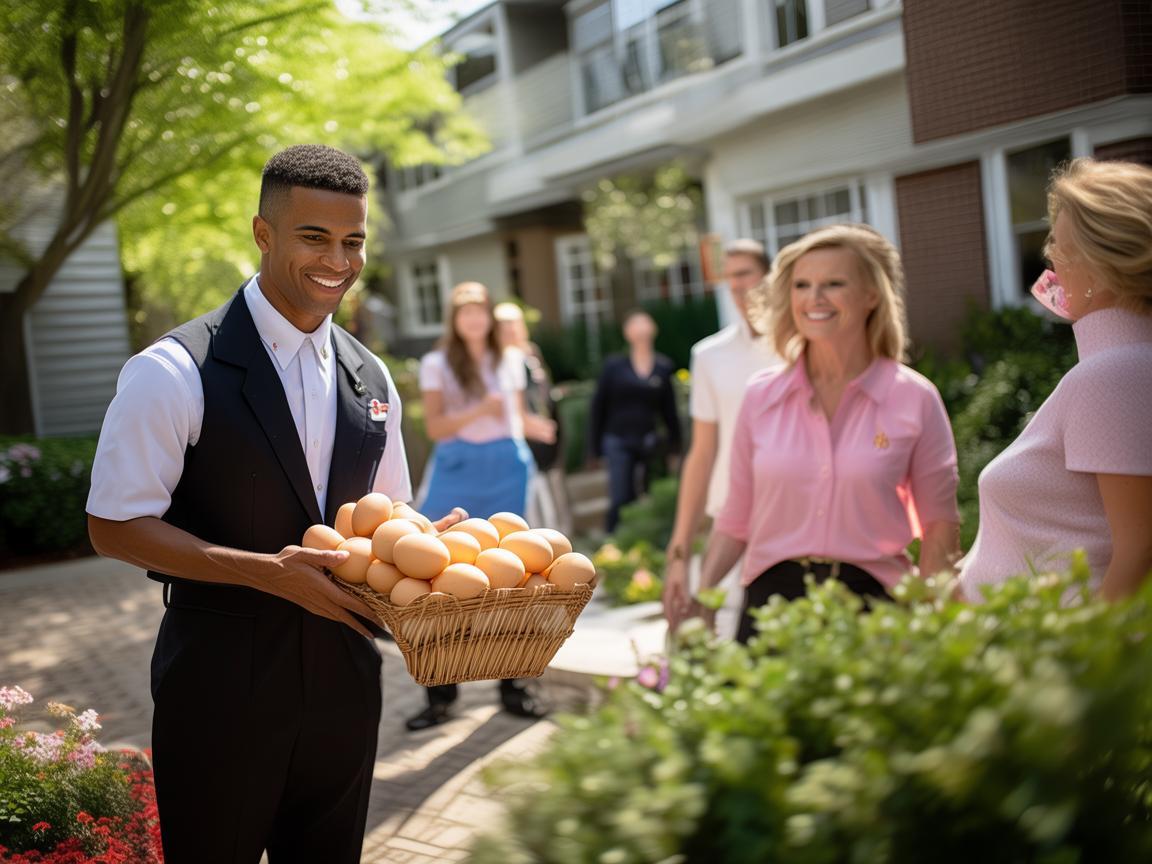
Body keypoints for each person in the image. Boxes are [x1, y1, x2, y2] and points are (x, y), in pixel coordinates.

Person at [85, 145, 458, 863]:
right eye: (314, 237)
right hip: (220, 685)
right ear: (263, 233)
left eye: (353, 242)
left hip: (348, 678)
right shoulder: (172, 371)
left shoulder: (372, 374)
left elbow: (390, 513)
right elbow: (113, 526)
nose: (337, 261)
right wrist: (265, 571)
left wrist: (427, 543)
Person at [692, 224, 961, 642]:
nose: (814, 298)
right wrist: (703, 600)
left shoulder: (915, 399)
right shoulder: (761, 396)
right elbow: (735, 517)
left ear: (871, 295)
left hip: (873, 610)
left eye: (833, 283)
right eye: (802, 285)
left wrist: (935, 621)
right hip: (771, 611)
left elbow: (940, 527)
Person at [959, 158, 1152, 601]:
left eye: (1060, 245)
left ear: (1102, 261)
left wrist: (1094, 660)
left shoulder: (1114, 374)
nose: (1048, 257)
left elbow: (1139, 551)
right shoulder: (1112, 368)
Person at [406, 282, 556, 731]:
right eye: (464, 311)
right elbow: (435, 425)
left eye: (480, 311)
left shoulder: (509, 358)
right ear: (453, 318)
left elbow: (512, 414)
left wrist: (538, 427)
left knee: (512, 578)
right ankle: (439, 694)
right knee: (436, 578)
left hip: (506, 468)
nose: (474, 319)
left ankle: (515, 686)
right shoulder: (436, 363)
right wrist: (478, 409)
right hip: (458, 470)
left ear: (489, 316)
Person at [662, 240, 780, 633]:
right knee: (718, 636)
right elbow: (702, 453)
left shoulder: (801, 348)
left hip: (793, 518)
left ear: (770, 276)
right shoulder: (709, 355)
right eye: (730, 277)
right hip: (730, 522)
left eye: (745, 273)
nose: (737, 286)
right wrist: (679, 552)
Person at [588, 310, 682, 533]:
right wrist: (592, 450)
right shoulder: (614, 367)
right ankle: (612, 540)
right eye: (635, 325)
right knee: (621, 495)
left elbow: (669, 410)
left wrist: (675, 446)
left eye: (644, 324)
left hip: (648, 441)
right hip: (617, 440)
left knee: (650, 495)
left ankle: (646, 540)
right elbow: (597, 407)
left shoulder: (663, 367)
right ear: (626, 333)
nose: (640, 330)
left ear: (653, 329)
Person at [494, 301, 572, 535]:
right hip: (521, 443)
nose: (511, 329)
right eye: (504, 325)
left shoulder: (530, 352)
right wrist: (527, 424)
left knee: (556, 501)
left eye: (514, 323)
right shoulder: (496, 361)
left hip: (546, 440)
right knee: (534, 513)